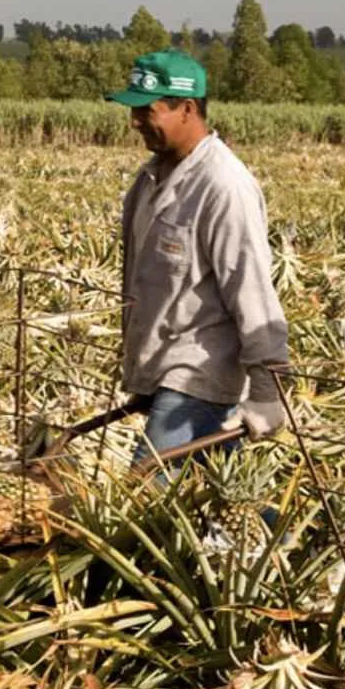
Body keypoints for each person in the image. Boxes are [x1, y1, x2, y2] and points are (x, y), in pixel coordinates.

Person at [104, 49, 289, 474]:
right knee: (217, 493)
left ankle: (288, 538)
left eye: (146, 110)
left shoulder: (223, 187)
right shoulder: (151, 179)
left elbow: (252, 290)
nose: (134, 122)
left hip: (200, 374)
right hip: (166, 368)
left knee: (144, 495)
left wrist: (267, 389)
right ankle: (294, 540)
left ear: (186, 108)